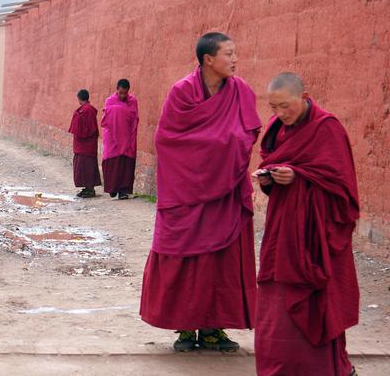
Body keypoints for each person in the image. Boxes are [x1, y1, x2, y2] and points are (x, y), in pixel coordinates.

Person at [140, 32, 261, 352]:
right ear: (208, 60)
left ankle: (213, 328)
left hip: (227, 190)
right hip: (185, 192)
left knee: (220, 259)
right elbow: (167, 141)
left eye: (235, 53)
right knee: (183, 254)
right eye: (228, 54)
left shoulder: (241, 91)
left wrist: (226, 151)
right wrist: (219, 147)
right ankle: (184, 328)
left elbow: (248, 133)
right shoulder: (182, 92)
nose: (235, 60)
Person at [253, 73, 359, 376]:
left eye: (285, 106)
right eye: (273, 108)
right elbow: (269, 160)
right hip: (282, 227)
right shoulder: (276, 129)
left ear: (304, 96)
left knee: (319, 298)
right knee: (277, 294)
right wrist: (270, 178)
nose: (280, 114)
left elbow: (343, 188)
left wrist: (299, 177)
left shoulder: (327, 129)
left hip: (316, 234)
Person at [100, 79, 138, 200]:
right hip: (112, 136)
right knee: (112, 160)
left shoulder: (133, 101)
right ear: (117, 89)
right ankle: (112, 188)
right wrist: (120, 110)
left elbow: (134, 118)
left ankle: (123, 191)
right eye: (121, 93)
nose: (123, 96)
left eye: (125, 93)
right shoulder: (109, 100)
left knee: (126, 163)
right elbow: (107, 118)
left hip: (127, 136)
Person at [68, 89, 101, 198]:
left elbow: (85, 128)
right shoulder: (86, 109)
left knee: (86, 166)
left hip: (86, 144)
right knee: (85, 166)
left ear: (79, 98)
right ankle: (87, 188)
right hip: (85, 144)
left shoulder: (87, 110)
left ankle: (90, 189)